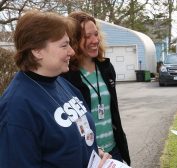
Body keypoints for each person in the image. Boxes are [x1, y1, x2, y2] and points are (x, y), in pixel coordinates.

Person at [0, 10, 110, 168]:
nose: (72, 51)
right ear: (37, 50)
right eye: (64, 45)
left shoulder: (61, 83)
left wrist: (92, 152)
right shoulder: (16, 108)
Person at [61, 11, 131, 165]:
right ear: (73, 41)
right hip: (89, 156)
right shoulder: (66, 75)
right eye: (87, 36)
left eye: (96, 34)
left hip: (114, 151)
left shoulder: (106, 68)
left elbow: (112, 112)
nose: (95, 40)